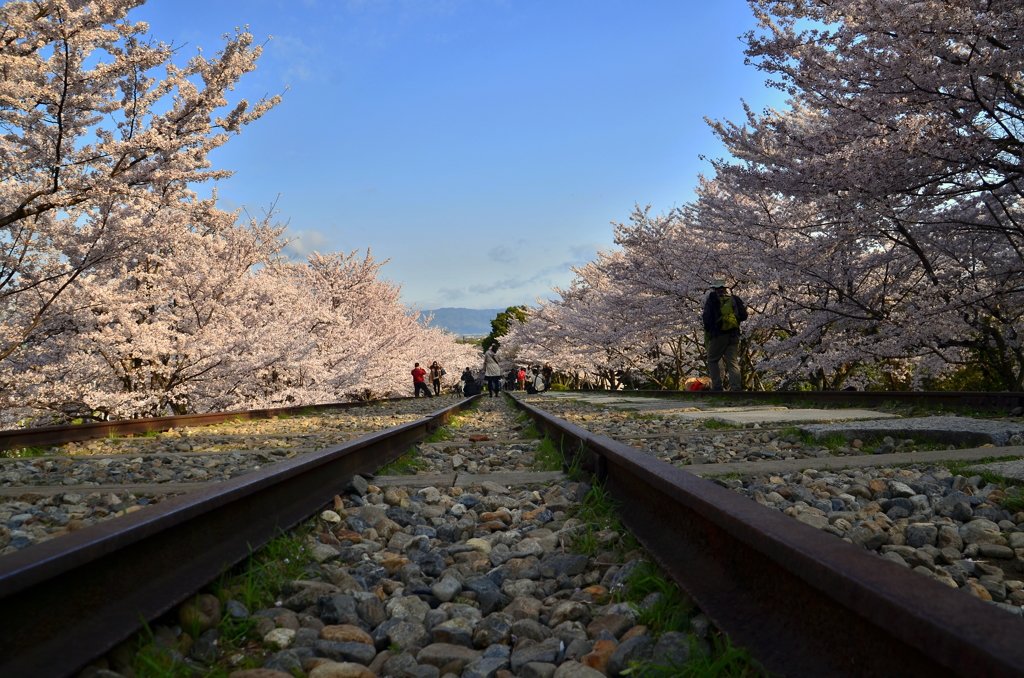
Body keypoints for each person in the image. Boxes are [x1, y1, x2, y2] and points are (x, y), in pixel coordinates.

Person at [702, 277, 748, 391]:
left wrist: (711, 330)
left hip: (718, 335)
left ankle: (717, 386)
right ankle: (735, 387)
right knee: (732, 362)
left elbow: (706, 318)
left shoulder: (712, 299)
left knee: (712, 359)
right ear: (725, 288)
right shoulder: (735, 299)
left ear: (714, 289)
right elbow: (744, 315)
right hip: (733, 334)